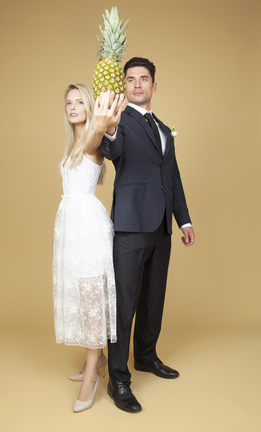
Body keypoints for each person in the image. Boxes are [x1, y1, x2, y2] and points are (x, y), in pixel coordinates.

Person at [100, 57, 195, 413]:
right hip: (129, 225)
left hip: (161, 227)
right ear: (124, 86)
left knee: (153, 299)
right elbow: (114, 150)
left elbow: (173, 177)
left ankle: (145, 356)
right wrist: (109, 129)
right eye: (130, 79)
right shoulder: (119, 122)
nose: (137, 84)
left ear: (154, 86)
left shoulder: (165, 128)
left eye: (144, 79)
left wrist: (183, 220)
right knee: (124, 305)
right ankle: (118, 380)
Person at [53, 84, 124, 413]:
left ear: (91, 106)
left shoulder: (93, 139)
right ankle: (95, 361)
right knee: (83, 296)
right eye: (68, 102)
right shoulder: (72, 143)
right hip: (72, 228)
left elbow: (98, 135)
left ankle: (91, 380)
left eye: (80, 101)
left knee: (92, 293)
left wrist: (104, 117)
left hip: (89, 228)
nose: (72, 106)